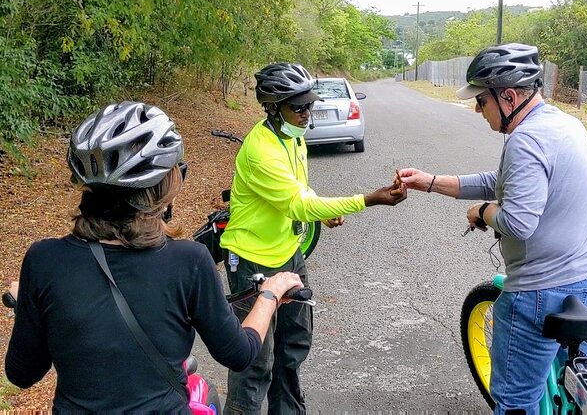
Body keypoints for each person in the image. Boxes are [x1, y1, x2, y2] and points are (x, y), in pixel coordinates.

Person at [4, 101, 304, 412]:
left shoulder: (44, 260)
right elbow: (240, 354)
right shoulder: (189, 262)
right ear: (163, 186)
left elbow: (23, 374)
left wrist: (28, 303)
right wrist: (270, 292)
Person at [399, 43, 587, 414]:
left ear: (510, 96)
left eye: (482, 100)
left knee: (515, 401)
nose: (477, 108)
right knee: (580, 368)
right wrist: (431, 181)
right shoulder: (566, 124)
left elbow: (517, 222)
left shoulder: (525, 140)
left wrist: (483, 211)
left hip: (544, 291)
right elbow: (501, 181)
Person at [220, 62, 406, 415]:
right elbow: (297, 202)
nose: (308, 113)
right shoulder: (262, 149)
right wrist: (369, 198)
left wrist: (322, 208)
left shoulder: (293, 137)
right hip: (252, 262)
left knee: (293, 345)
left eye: (310, 105)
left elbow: (298, 189)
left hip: (290, 254)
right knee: (255, 362)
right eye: (299, 107)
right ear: (274, 108)